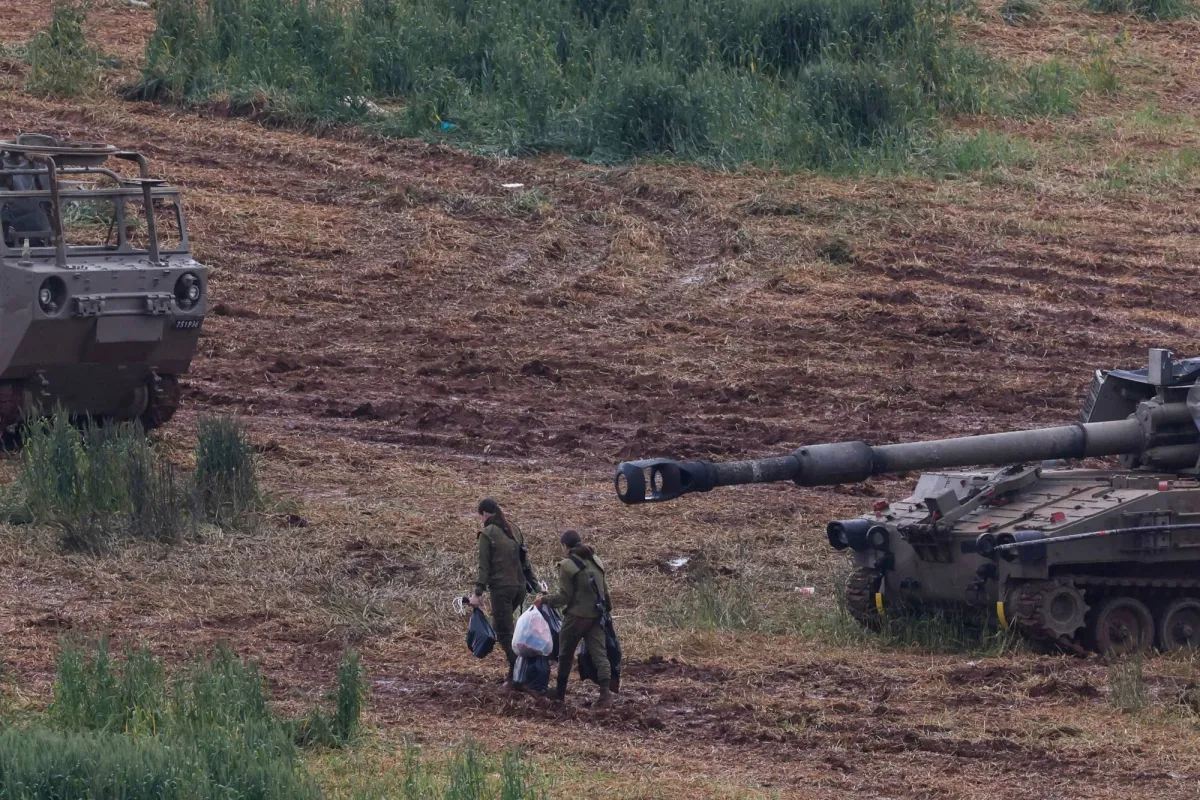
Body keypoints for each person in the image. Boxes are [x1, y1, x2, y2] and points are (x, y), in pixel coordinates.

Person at [535, 529, 612, 708]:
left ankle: (560, 693)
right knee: (600, 655)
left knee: (565, 655)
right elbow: (605, 591)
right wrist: (607, 611)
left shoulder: (567, 565)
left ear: (565, 546)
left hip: (576, 618)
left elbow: (564, 597)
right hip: (597, 616)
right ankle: (605, 695)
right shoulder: (596, 560)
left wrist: (544, 600)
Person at [469, 498, 537, 690]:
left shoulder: (487, 534)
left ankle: (518, 674)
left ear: (484, 514)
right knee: (508, 629)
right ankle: (515, 673)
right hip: (520, 588)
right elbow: (525, 562)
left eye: (479, 516)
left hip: (502, 589)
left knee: (503, 632)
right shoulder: (514, 529)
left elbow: (484, 567)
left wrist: (478, 593)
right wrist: (536, 586)